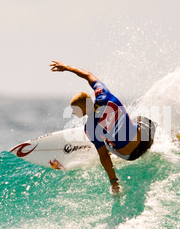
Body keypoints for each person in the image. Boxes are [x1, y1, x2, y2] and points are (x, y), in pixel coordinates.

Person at [50, 61, 156, 194]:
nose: (73, 113)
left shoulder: (90, 127)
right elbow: (88, 75)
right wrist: (68, 68)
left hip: (131, 155)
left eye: (75, 110)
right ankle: (174, 139)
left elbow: (104, 157)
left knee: (103, 143)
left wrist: (114, 182)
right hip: (145, 141)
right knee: (142, 119)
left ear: (85, 108)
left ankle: (113, 146)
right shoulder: (104, 94)